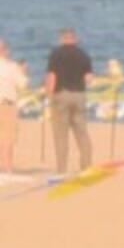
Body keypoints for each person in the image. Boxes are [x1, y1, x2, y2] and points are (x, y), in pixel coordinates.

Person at [45, 28, 94, 174]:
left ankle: (61, 169)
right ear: (75, 39)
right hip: (79, 95)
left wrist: (49, 95)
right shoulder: (83, 55)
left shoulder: (56, 54)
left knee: (61, 134)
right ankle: (86, 166)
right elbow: (89, 78)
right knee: (82, 132)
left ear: (62, 39)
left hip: (62, 94)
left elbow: (51, 77)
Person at [0, 39, 30, 174]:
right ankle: (7, 167)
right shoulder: (11, 67)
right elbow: (23, 84)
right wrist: (23, 71)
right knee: (7, 137)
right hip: (7, 105)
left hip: (6, 103)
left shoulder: (11, 66)